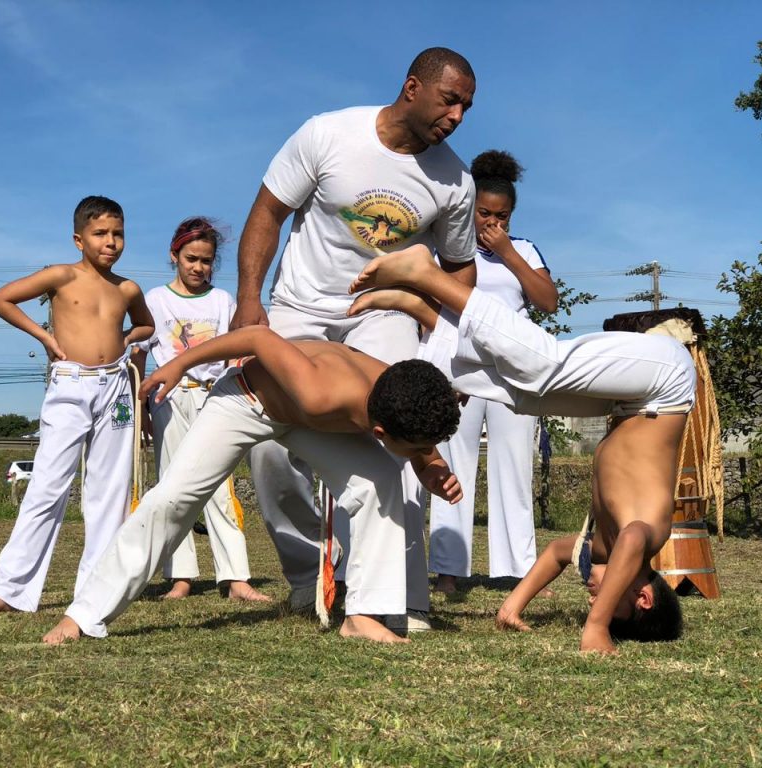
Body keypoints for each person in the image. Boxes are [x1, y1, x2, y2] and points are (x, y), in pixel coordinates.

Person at [231, 47, 479, 630]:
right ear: (413, 87)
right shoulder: (328, 134)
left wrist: (428, 318)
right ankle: (305, 576)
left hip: (381, 314)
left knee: (407, 433)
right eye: (450, 100)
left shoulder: (455, 180)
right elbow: (267, 212)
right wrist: (249, 300)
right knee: (270, 447)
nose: (458, 116)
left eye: (468, 106)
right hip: (301, 305)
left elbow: (461, 268)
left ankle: (398, 597)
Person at [348, 245, 693, 653]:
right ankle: (426, 274)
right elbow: (633, 539)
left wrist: (513, 605)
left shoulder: (601, 549)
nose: (590, 600)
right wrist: (596, 627)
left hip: (629, 402)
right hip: (665, 381)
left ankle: (428, 315)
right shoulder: (648, 537)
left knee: (521, 395)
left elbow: (555, 554)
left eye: (592, 608)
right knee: (544, 365)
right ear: (643, 597)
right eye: (602, 604)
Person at [41, 325, 462, 646]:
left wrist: (429, 464)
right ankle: (84, 613)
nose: (425, 452)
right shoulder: (322, 392)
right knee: (173, 500)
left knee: (382, 478)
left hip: (300, 419)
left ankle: (364, 616)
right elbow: (258, 336)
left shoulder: (401, 388)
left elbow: (412, 435)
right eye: (419, 447)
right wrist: (179, 363)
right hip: (245, 401)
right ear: (378, 431)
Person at [0, 196, 154, 614]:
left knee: (110, 490)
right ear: (78, 238)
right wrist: (46, 338)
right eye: (100, 233)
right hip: (71, 384)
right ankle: (10, 589)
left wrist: (125, 340)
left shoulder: (127, 288)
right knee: (49, 483)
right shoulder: (61, 275)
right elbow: (0, 299)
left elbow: (147, 324)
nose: (111, 242)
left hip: (116, 388)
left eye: (118, 234)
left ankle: (97, 588)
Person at [429, 149, 558, 595]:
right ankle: (449, 568)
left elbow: (547, 301)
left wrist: (508, 254)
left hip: (512, 369)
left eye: (501, 216)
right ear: (469, 207)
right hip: (459, 366)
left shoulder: (522, 249)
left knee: (512, 466)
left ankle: (518, 569)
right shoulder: (448, 248)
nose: (492, 223)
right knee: (452, 464)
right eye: (484, 213)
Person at [132, 216, 271, 602]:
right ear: (174, 255)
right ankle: (180, 576)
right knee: (173, 485)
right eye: (191, 258)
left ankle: (235, 577)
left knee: (219, 486)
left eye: (207, 261)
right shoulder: (155, 300)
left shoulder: (223, 301)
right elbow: (141, 355)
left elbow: (237, 353)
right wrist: (141, 405)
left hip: (215, 398)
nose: (199, 267)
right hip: (169, 400)